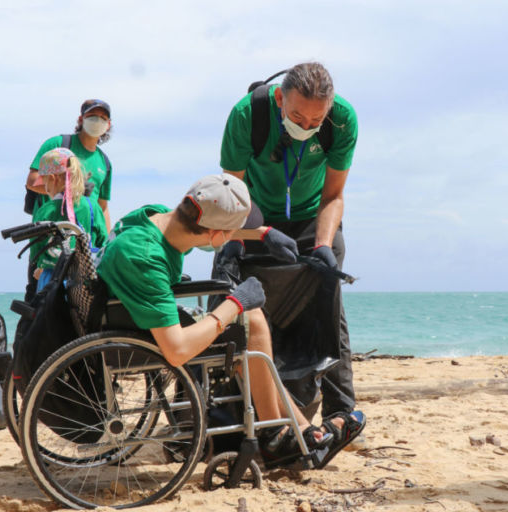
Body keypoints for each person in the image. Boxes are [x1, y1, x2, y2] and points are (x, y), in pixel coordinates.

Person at [95, 173, 332, 465]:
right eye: (233, 231)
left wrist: (262, 233)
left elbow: (206, 230)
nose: (234, 235)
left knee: (249, 324)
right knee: (252, 322)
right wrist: (235, 304)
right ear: (216, 237)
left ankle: (301, 428)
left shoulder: (157, 218)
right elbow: (177, 350)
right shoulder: (145, 259)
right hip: (140, 339)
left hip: (126, 315)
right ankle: (274, 433)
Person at [218, 61, 365, 460]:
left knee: (329, 294)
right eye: (298, 115)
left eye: (316, 118)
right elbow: (232, 191)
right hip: (252, 212)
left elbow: (333, 196)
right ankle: (236, 412)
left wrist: (321, 246)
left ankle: (341, 412)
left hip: (311, 216)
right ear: (281, 98)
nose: (307, 124)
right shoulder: (247, 115)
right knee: (232, 299)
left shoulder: (341, 121)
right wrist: (249, 236)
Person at [23, 99, 113, 300]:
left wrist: (105, 248)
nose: (97, 120)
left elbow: (103, 206)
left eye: (103, 118)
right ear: (81, 119)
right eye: (92, 116)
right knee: (37, 302)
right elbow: (32, 180)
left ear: (108, 124)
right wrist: (66, 191)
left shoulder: (104, 162)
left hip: (83, 252)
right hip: (50, 239)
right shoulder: (58, 144)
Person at [29, 148, 107, 292]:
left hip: (51, 280)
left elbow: (36, 249)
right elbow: (103, 241)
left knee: (49, 313)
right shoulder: (92, 206)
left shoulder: (45, 210)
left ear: (53, 178)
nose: (46, 189)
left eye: (45, 183)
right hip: (85, 282)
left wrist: (39, 267)